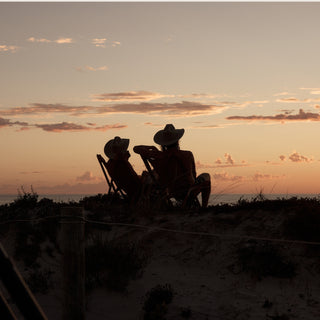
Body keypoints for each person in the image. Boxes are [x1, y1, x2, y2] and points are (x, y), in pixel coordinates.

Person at [134, 124, 211, 208]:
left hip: (170, 190)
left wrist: (151, 147)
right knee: (206, 176)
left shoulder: (158, 156)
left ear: (163, 143)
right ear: (177, 140)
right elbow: (193, 175)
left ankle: (187, 201)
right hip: (188, 189)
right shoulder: (186, 155)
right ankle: (204, 207)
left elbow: (136, 148)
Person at [102, 136, 142, 203]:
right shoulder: (121, 163)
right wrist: (126, 160)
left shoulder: (111, 163)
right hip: (133, 186)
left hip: (124, 185)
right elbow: (132, 175)